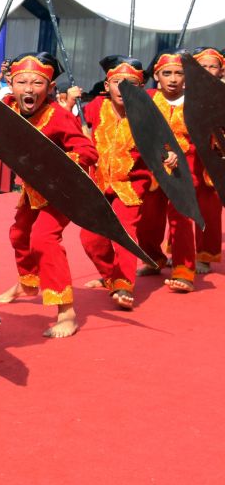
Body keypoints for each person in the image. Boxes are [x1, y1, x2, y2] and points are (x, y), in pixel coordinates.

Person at [0, 53, 98, 337]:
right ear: (11, 86)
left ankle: (66, 311)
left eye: (37, 82)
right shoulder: (6, 108)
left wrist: (56, 165)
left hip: (63, 190)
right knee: (18, 235)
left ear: (50, 87)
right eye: (21, 82)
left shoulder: (59, 116)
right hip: (32, 191)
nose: (29, 89)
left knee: (44, 238)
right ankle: (27, 283)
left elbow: (88, 152)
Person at [79, 55, 161, 311]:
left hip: (131, 185)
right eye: (117, 81)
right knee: (89, 238)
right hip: (98, 184)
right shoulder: (94, 108)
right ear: (106, 86)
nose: (123, 88)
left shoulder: (148, 114)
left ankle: (124, 284)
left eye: (131, 84)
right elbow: (70, 127)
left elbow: (166, 145)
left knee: (125, 235)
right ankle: (111, 276)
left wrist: (167, 156)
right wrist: (71, 103)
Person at [138, 51, 196, 292]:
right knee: (147, 217)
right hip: (151, 167)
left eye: (179, 73)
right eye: (167, 73)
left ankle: (184, 270)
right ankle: (153, 258)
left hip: (185, 167)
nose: (173, 79)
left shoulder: (195, 104)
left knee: (181, 219)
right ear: (156, 76)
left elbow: (205, 137)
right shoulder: (147, 99)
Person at [189, 46, 223, 273]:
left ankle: (204, 255)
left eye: (213, 66)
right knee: (180, 209)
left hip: (214, 158)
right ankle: (180, 253)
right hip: (187, 155)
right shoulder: (182, 91)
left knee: (209, 209)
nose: (208, 70)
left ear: (221, 71)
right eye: (203, 66)